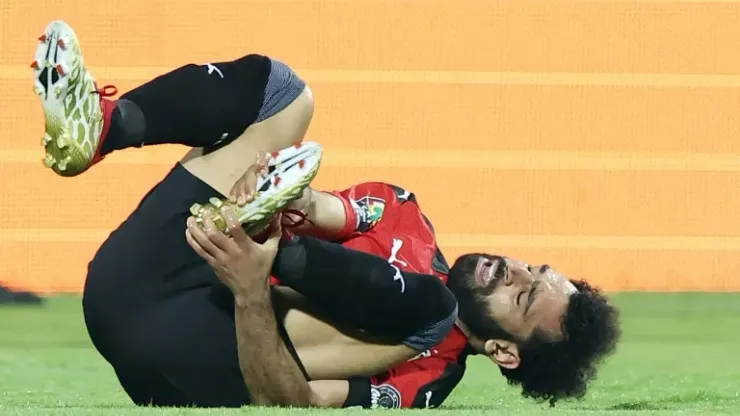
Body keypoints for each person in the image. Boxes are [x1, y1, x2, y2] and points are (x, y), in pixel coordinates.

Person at [32, 19, 621, 409]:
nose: (513, 271)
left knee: (436, 312)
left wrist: (251, 293)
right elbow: (330, 210)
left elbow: (293, 403)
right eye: (532, 269)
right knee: (284, 96)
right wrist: (287, 200)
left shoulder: (425, 383)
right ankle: (107, 128)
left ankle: (270, 246)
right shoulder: (405, 215)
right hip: (141, 275)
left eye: (522, 296)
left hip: (185, 355)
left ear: (504, 352)